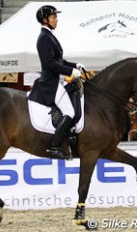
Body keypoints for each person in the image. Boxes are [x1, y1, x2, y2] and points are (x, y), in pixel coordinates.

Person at [28, 5, 85, 159]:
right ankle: (55, 146)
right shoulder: (44, 38)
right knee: (70, 112)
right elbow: (49, 64)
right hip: (50, 84)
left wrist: (75, 65)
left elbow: (59, 60)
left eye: (55, 17)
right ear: (45, 20)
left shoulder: (49, 36)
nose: (56, 20)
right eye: (53, 17)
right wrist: (70, 72)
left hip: (56, 81)